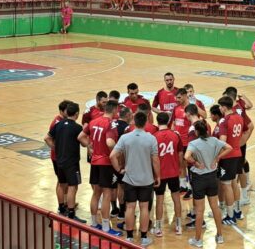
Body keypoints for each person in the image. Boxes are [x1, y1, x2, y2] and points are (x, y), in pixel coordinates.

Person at [110, 110, 160, 246]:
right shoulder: (151, 138)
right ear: (146, 122)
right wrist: (158, 176)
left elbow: (112, 156)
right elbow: (155, 160)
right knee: (144, 207)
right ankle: (143, 237)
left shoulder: (125, 138)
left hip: (130, 179)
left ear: (134, 121)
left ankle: (129, 237)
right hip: (146, 179)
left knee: (130, 207)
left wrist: (119, 170)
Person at [78, 100, 122, 236]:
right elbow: (110, 143)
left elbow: (80, 137)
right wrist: (117, 152)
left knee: (96, 194)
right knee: (107, 194)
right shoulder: (110, 124)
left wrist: (90, 147)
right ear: (114, 110)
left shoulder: (94, 121)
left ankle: (94, 223)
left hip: (95, 162)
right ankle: (106, 228)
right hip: (106, 163)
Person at [185, 120, 232, 248]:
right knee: (215, 207)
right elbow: (229, 148)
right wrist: (218, 157)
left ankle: (198, 240)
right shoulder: (214, 140)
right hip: (212, 177)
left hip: (199, 179)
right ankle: (220, 236)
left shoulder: (193, 143)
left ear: (196, 132)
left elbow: (187, 156)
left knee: (200, 211)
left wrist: (195, 163)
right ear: (206, 130)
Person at [45, 102, 87, 223]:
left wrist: (56, 149)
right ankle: (71, 214)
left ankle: (61, 208)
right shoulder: (77, 127)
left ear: (67, 112)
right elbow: (84, 144)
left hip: (60, 160)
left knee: (61, 183)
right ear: (77, 114)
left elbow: (47, 138)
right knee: (72, 186)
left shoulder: (59, 124)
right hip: (72, 162)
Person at [151, 111, 183, 237]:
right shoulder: (175, 135)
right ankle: (179, 226)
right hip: (173, 172)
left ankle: (158, 228)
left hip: (160, 173)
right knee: (176, 198)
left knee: (159, 200)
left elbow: (152, 157)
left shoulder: (154, 136)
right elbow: (180, 153)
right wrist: (180, 167)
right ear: (168, 121)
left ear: (157, 121)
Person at [222, 87, 255, 206]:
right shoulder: (239, 106)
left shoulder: (236, 111)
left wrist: (242, 141)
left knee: (238, 169)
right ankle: (242, 191)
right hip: (237, 142)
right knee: (240, 166)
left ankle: (243, 196)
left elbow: (250, 127)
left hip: (237, 142)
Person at [216, 96, 245, 225]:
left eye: (220, 107)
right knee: (234, 182)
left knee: (226, 185)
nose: (220, 109)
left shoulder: (224, 120)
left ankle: (230, 215)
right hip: (237, 153)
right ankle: (237, 211)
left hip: (227, 156)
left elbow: (222, 141)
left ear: (224, 107)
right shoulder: (239, 117)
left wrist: (217, 156)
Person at [46, 100, 73, 216]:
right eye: (67, 110)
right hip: (58, 158)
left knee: (64, 182)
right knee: (61, 182)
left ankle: (65, 203)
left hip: (60, 157)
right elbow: (47, 138)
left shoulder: (62, 121)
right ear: (62, 111)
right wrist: (56, 149)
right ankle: (61, 206)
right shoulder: (57, 122)